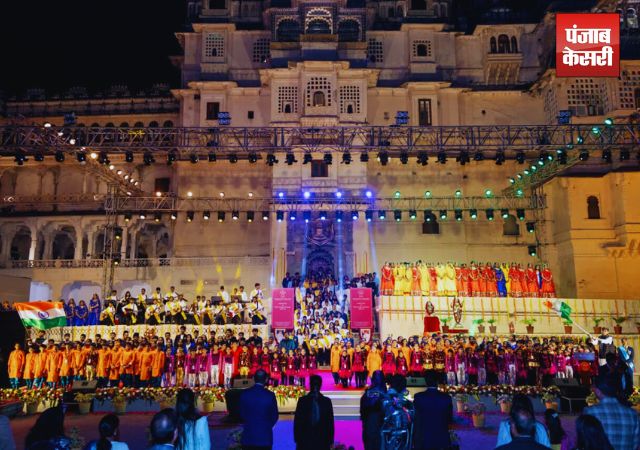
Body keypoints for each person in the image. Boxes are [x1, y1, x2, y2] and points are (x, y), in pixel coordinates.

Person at [583, 373, 640, 450]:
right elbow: (635, 445)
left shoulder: (590, 412)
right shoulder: (633, 414)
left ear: (598, 391)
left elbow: (586, 441)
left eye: (594, 388)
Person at [239, 369, 279, 450]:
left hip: (248, 437)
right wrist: (266, 426)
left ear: (253, 378)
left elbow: (241, 414)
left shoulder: (244, 394)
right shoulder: (270, 395)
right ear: (266, 379)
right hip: (265, 437)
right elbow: (274, 416)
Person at [412, 370, 452, 450]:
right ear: (437, 382)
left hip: (424, 439)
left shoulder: (419, 397)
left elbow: (415, 419)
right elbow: (449, 419)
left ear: (425, 382)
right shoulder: (446, 398)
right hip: (441, 438)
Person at [293, 374, 334, 450]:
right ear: (310, 385)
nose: (315, 386)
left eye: (317, 384)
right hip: (305, 440)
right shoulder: (302, 401)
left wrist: (331, 440)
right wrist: (297, 439)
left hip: (322, 441)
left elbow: (330, 422)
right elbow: (298, 421)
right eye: (314, 384)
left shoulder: (326, 401)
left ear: (320, 385)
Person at [360, 370, 387, 450]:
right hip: (377, 426)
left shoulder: (367, 393)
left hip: (370, 426)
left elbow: (362, 412)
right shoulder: (383, 393)